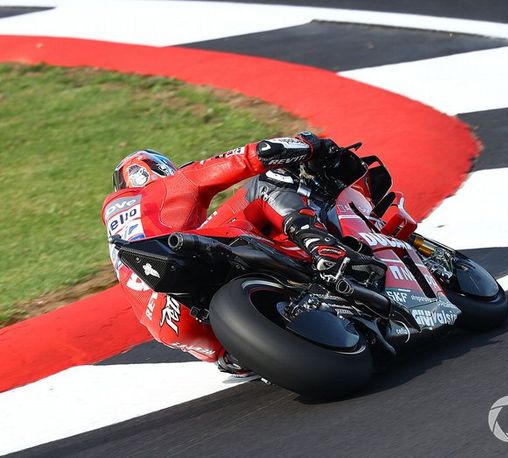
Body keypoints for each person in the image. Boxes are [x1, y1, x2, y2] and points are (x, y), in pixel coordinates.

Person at [102, 132, 382, 376]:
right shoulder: (166, 186)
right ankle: (324, 250)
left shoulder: (117, 234)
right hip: (190, 260)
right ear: (159, 170)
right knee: (265, 183)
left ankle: (230, 356)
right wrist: (311, 145)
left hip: (172, 327)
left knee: (230, 353)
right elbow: (253, 156)